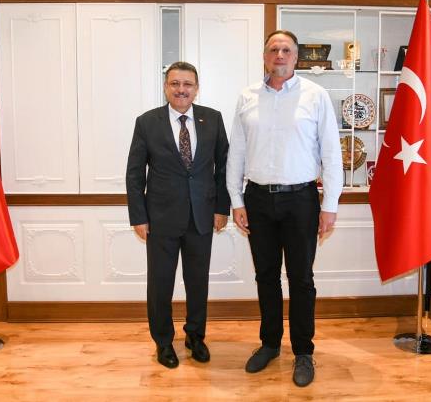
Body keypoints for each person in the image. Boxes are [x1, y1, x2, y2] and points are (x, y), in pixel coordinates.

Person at [226, 30, 343, 387]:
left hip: (301, 200)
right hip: (258, 200)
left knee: (301, 279)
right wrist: (236, 200)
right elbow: (237, 152)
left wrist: (330, 205)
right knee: (265, 276)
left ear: (296, 57)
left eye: (286, 49)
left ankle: (303, 351)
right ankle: (270, 344)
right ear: (265, 56)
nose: (279, 54)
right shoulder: (247, 97)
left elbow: (331, 153)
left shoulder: (316, 96)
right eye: (273, 49)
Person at [126, 61, 230, 369]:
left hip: (202, 216)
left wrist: (221, 208)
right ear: (165, 87)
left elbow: (224, 167)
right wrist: (139, 216)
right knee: (160, 284)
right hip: (160, 218)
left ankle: (195, 337)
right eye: (175, 83)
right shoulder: (147, 122)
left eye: (187, 84)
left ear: (197, 88)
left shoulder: (213, 119)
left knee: (197, 282)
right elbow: (135, 173)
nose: (181, 89)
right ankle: (163, 342)